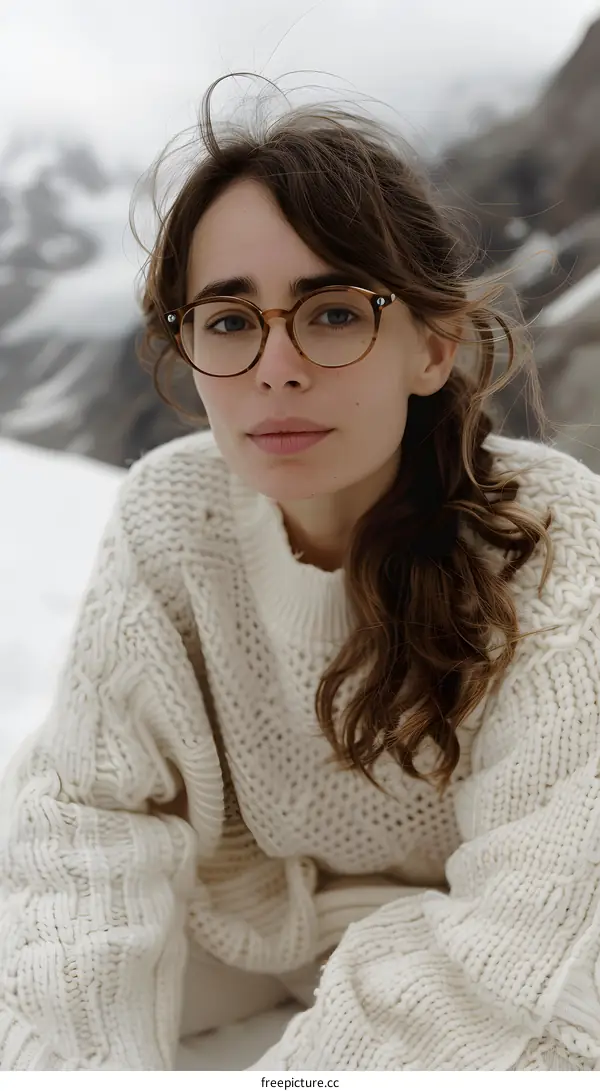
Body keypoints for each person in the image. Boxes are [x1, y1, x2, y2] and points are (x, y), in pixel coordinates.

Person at [1, 72, 599, 1072]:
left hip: (461, 926)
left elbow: (543, 915)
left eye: (331, 313)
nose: (277, 366)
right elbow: (87, 822)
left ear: (432, 344)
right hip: (238, 922)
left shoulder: (555, 539)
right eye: (229, 322)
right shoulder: (171, 512)